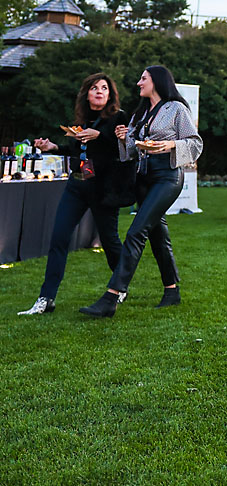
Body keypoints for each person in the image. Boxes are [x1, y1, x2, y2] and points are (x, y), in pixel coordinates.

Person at [80, 65, 203, 317]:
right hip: (143, 178)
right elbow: (130, 153)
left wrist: (170, 144)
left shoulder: (176, 109)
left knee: (136, 231)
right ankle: (172, 291)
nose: (138, 83)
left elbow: (195, 142)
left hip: (167, 177)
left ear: (156, 81)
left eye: (143, 79)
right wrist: (123, 138)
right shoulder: (140, 114)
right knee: (158, 236)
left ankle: (112, 296)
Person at [19, 73, 128, 315]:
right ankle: (46, 298)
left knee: (110, 242)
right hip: (77, 186)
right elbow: (76, 150)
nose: (99, 91)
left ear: (110, 94)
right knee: (58, 238)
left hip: (103, 189)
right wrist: (53, 148)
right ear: (86, 93)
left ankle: (120, 285)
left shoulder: (118, 118)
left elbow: (125, 148)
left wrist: (101, 135)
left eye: (104, 88)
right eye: (94, 88)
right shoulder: (81, 119)